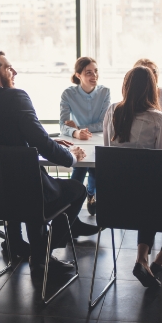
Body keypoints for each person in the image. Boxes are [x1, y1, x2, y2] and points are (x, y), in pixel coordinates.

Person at [0, 51, 99, 277]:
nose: (15, 71)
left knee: (21, 185)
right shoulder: (16, 97)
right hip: (27, 194)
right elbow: (43, 145)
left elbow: (4, 137)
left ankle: (17, 245)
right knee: (76, 190)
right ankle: (41, 257)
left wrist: (44, 139)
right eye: (9, 68)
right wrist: (72, 157)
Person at [103, 66, 162, 288]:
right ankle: (159, 259)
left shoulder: (112, 111)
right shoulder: (157, 118)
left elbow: (107, 152)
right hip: (150, 202)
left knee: (150, 195)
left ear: (125, 86)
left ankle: (142, 259)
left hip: (115, 203)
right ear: (152, 90)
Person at [60, 57, 110, 216]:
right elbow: (63, 125)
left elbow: (103, 123)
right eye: (89, 72)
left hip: (98, 139)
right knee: (79, 168)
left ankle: (90, 194)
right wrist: (74, 132)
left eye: (96, 71)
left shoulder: (104, 92)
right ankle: (72, 209)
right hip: (78, 139)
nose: (94, 75)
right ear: (78, 75)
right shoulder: (68, 94)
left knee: (96, 166)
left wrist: (79, 128)